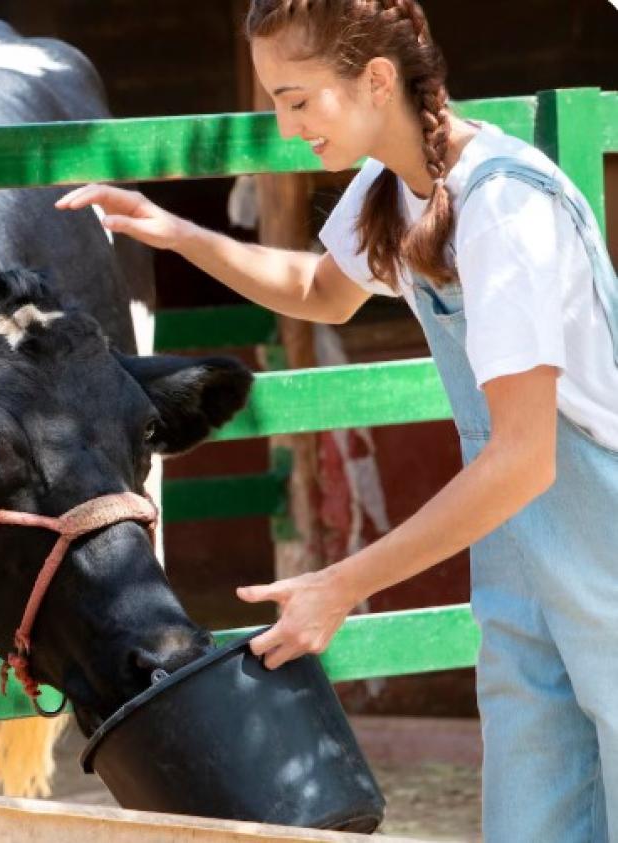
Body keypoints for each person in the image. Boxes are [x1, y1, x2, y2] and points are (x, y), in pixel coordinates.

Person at [55, 1, 618, 840]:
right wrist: (176, 233)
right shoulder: (395, 189)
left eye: (297, 99)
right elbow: (321, 290)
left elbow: (525, 456)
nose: (285, 129)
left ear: (376, 79)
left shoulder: (503, 207)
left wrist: (342, 583)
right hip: (521, 560)